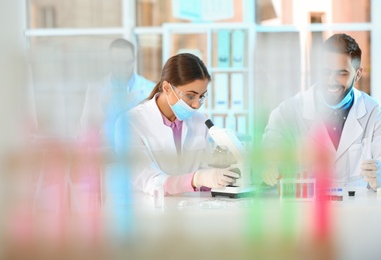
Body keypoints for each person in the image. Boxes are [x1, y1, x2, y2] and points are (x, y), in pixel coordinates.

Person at [261, 33, 381, 191]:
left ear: (357, 74)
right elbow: (268, 151)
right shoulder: (288, 111)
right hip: (307, 212)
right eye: (326, 72)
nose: (332, 80)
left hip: (357, 211)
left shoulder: (374, 113)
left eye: (342, 73)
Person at [115, 53, 239, 195]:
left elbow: (205, 175)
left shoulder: (199, 122)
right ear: (167, 88)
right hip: (150, 209)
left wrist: (221, 178)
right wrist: (197, 179)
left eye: (202, 96)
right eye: (190, 95)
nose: (197, 104)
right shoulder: (130, 123)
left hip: (192, 209)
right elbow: (151, 181)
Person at [80, 38, 155, 147]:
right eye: (117, 63)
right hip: (106, 154)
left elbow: (156, 130)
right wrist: (105, 109)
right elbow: (86, 128)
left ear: (134, 61)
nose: (122, 68)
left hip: (139, 155)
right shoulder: (97, 89)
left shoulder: (149, 90)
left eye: (127, 63)